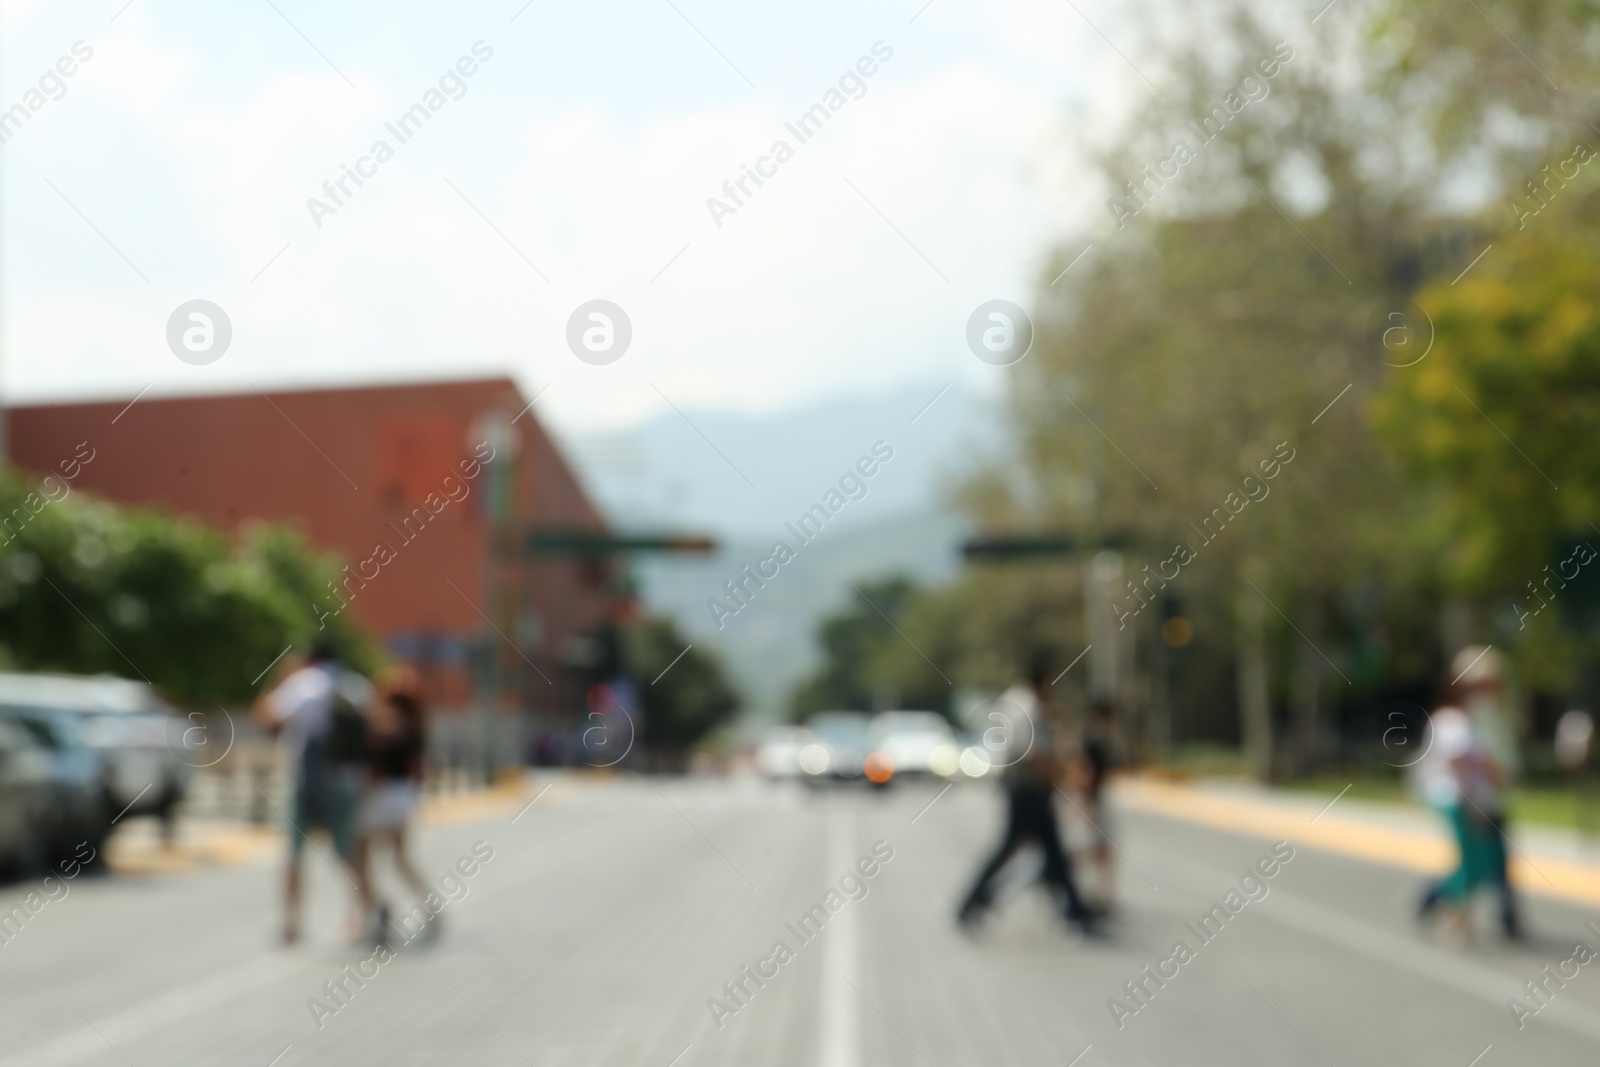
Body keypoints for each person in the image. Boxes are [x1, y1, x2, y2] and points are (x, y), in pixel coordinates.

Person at [957, 666, 1100, 937]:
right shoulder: (1024, 707)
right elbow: (1031, 754)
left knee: (1051, 853)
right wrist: (1061, 775)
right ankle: (971, 904)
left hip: (1033, 792)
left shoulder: (1031, 705)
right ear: (1042, 682)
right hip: (1026, 793)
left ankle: (1074, 911)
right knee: (1024, 851)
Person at [257, 642, 373, 945]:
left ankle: (292, 923)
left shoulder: (304, 683)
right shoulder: (357, 685)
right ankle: (370, 909)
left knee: (295, 851)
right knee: (346, 849)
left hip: (308, 779)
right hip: (347, 779)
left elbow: (269, 717)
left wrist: (281, 678)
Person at [1413, 647, 1521, 941]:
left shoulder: (1489, 717)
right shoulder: (1452, 719)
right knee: (1475, 862)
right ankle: (1454, 913)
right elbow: (1462, 764)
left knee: (1485, 862)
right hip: (1463, 801)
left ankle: (1443, 906)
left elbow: (1497, 764)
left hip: (1483, 801)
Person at [359, 670, 433, 947]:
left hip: (382, 796)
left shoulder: (388, 721)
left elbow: (374, 762)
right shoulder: (418, 724)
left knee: (360, 857)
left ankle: (373, 910)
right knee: (400, 858)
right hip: (404, 796)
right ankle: (430, 907)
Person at [1077, 700, 1120, 911]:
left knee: (1102, 849)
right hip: (1093, 800)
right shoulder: (1092, 740)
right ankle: (1100, 893)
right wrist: (1088, 803)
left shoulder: (1097, 738)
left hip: (1097, 798)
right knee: (1099, 849)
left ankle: (1102, 893)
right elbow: (1086, 773)